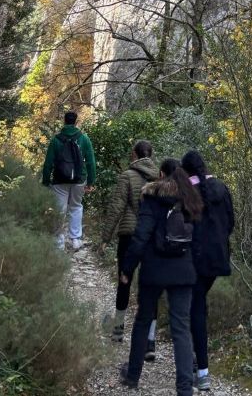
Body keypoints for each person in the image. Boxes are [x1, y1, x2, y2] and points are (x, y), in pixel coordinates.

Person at [119, 166, 204, 396]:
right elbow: (197, 242)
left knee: (143, 320)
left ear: (160, 176)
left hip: (154, 270)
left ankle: (133, 375)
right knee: (181, 328)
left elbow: (140, 236)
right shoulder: (190, 201)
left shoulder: (151, 199)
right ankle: (185, 388)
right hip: (183, 272)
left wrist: (127, 268)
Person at [181, 150, 235, 391]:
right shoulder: (221, 188)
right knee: (199, 304)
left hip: (195, 258)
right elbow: (231, 223)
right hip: (218, 258)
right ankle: (197, 361)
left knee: (196, 309)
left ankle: (201, 369)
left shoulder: (187, 192)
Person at [100, 140, 159, 343]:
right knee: (150, 285)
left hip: (129, 234)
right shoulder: (160, 178)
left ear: (134, 154)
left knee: (124, 281)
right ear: (150, 155)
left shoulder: (127, 176)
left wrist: (105, 238)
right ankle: (150, 339)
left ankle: (118, 330)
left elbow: (117, 207)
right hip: (151, 237)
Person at [41, 110, 96, 251]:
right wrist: (90, 182)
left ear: (64, 121)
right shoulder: (84, 139)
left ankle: (59, 242)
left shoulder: (55, 140)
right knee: (76, 206)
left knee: (59, 210)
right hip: (79, 180)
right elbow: (90, 162)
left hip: (59, 180)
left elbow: (48, 163)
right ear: (76, 122)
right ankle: (75, 240)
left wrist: (46, 182)